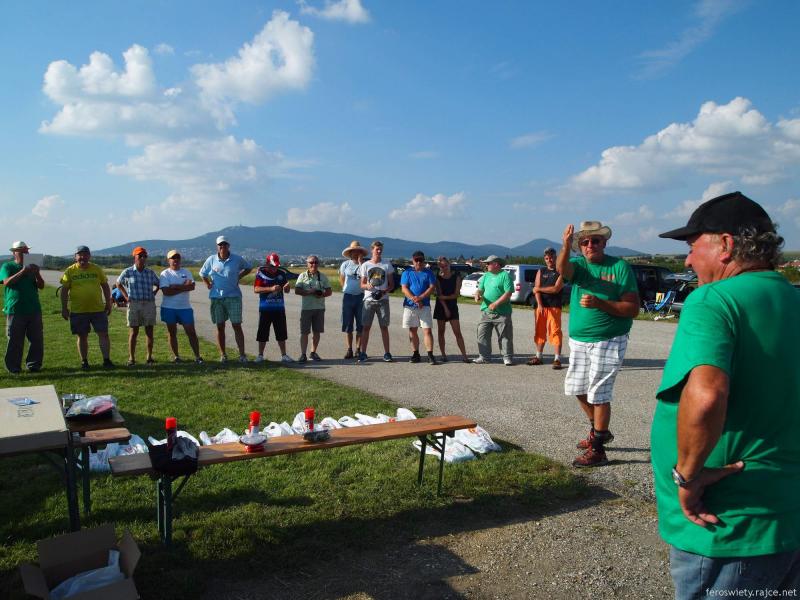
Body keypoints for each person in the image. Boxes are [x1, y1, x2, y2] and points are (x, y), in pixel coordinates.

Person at [653, 191, 800, 598]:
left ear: (726, 245)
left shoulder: (713, 299)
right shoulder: (793, 298)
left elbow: (706, 397)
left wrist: (688, 476)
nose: (686, 260)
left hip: (727, 524)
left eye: (691, 246)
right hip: (785, 515)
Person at [556, 221, 639, 467]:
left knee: (598, 392)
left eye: (595, 240)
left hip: (609, 338)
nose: (590, 245)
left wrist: (600, 303)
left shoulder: (619, 267)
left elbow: (632, 308)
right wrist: (565, 245)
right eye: (585, 242)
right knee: (578, 388)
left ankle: (598, 450)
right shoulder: (579, 266)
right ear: (579, 247)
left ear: (604, 243)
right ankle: (599, 432)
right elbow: (562, 269)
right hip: (579, 340)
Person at [199, 235, 251, 363]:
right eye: (220, 245)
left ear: (228, 245)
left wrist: (239, 276)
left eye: (224, 244)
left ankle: (242, 355)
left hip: (234, 296)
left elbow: (248, 267)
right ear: (217, 246)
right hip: (217, 298)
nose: (222, 246)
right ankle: (223, 355)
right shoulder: (211, 259)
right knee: (220, 326)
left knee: (236, 325)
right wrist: (207, 284)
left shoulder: (237, 259)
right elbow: (202, 273)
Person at [60, 245, 114, 369]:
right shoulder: (70, 271)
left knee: (103, 334)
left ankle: (106, 360)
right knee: (82, 336)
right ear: (75, 257)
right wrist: (64, 307)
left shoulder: (97, 269)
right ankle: (84, 361)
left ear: (89, 256)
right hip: (78, 310)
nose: (82, 257)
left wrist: (108, 302)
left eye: (85, 254)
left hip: (98, 309)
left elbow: (105, 286)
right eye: (80, 255)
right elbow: (64, 290)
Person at [1, 241, 44, 373]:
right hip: (15, 309)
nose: (26, 253)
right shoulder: (8, 266)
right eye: (22, 251)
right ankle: (14, 367)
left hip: (34, 308)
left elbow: (41, 286)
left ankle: (34, 365)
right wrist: (23, 271)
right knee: (15, 340)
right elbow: (6, 282)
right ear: (14, 253)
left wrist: (37, 273)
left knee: (36, 339)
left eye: (26, 251)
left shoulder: (32, 267)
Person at [116, 246, 160, 366]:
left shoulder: (150, 272)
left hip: (149, 303)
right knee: (133, 332)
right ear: (134, 257)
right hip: (134, 303)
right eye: (140, 256)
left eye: (144, 256)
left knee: (149, 331)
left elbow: (159, 283)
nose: (142, 258)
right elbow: (118, 283)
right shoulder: (128, 271)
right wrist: (126, 297)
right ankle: (131, 358)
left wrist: (155, 292)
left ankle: (149, 357)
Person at [159, 250, 203, 364]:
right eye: (173, 258)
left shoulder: (186, 272)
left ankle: (197, 356)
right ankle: (176, 357)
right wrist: (183, 287)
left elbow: (192, 287)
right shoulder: (165, 274)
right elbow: (166, 292)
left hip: (185, 308)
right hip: (169, 307)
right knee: (172, 333)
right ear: (168, 260)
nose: (176, 260)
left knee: (191, 332)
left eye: (177, 257)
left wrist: (176, 286)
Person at [357, 240, 395, 363]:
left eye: (380, 249)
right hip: (369, 300)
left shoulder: (387, 264)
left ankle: (387, 353)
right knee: (366, 327)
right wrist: (367, 286)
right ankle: (363, 353)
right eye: (377, 249)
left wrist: (384, 292)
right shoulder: (365, 265)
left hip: (383, 300)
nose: (379, 251)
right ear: (372, 250)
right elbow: (361, 284)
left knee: (384, 327)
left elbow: (392, 284)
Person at [473, 255, 514, 365]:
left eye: (488, 263)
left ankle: (507, 357)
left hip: (502, 313)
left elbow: (508, 293)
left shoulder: (505, 275)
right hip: (486, 311)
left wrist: (496, 304)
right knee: (482, 334)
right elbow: (480, 289)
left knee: (505, 336)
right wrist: (477, 294)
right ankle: (484, 357)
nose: (486, 265)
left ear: (496, 264)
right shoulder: (486, 276)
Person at [253, 252, 293, 364]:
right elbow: (256, 289)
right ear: (267, 264)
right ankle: (260, 355)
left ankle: (284, 355)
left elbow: (286, 290)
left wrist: (287, 288)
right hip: (265, 308)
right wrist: (271, 289)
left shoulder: (281, 274)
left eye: (276, 266)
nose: (274, 268)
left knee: (281, 333)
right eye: (272, 266)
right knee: (262, 332)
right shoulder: (261, 274)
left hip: (279, 309)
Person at [528, 247, 564, 369]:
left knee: (555, 331)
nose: (549, 260)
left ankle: (557, 359)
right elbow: (536, 289)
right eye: (547, 258)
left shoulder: (560, 271)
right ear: (545, 259)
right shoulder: (541, 271)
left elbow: (556, 289)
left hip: (554, 306)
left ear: (556, 258)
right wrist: (539, 304)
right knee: (539, 331)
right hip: (541, 306)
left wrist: (538, 289)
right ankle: (538, 356)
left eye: (551, 258)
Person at [400, 251, 438, 365]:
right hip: (410, 306)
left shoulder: (428, 272)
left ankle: (430, 354)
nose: (418, 262)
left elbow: (432, 287)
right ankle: (415, 354)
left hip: (424, 305)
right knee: (412, 330)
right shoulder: (407, 272)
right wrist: (414, 299)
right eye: (416, 260)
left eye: (420, 260)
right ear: (413, 260)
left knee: (427, 330)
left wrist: (421, 298)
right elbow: (404, 288)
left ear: (424, 261)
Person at [295, 254, 332, 363]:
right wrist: (308, 292)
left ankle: (313, 352)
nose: (314, 264)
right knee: (304, 332)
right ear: (307, 264)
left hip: (319, 308)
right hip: (306, 308)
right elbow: (297, 290)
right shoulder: (302, 276)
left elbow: (329, 291)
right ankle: (303, 354)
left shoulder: (323, 277)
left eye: (316, 262)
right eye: (311, 262)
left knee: (317, 332)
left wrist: (321, 294)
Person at [433, 256, 470, 363]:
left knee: (457, 332)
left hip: (453, 306)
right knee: (441, 332)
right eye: (441, 266)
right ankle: (443, 355)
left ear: (449, 265)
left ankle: (465, 356)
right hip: (441, 306)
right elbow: (439, 295)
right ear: (439, 267)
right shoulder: (437, 278)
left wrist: (445, 298)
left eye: (445, 265)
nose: (444, 268)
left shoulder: (456, 277)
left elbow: (456, 294)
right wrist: (445, 308)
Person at [339, 240, 367, 359]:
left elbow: (366, 278)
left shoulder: (365, 265)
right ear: (350, 252)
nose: (355, 253)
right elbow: (341, 278)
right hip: (348, 296)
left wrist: (360, 263)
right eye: (353, 251)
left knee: (360, 324)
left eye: (357, 251)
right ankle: (349, 349)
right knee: (348, 325)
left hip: (361, 297)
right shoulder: (345, 264)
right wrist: (345, 289)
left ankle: (358, 349)